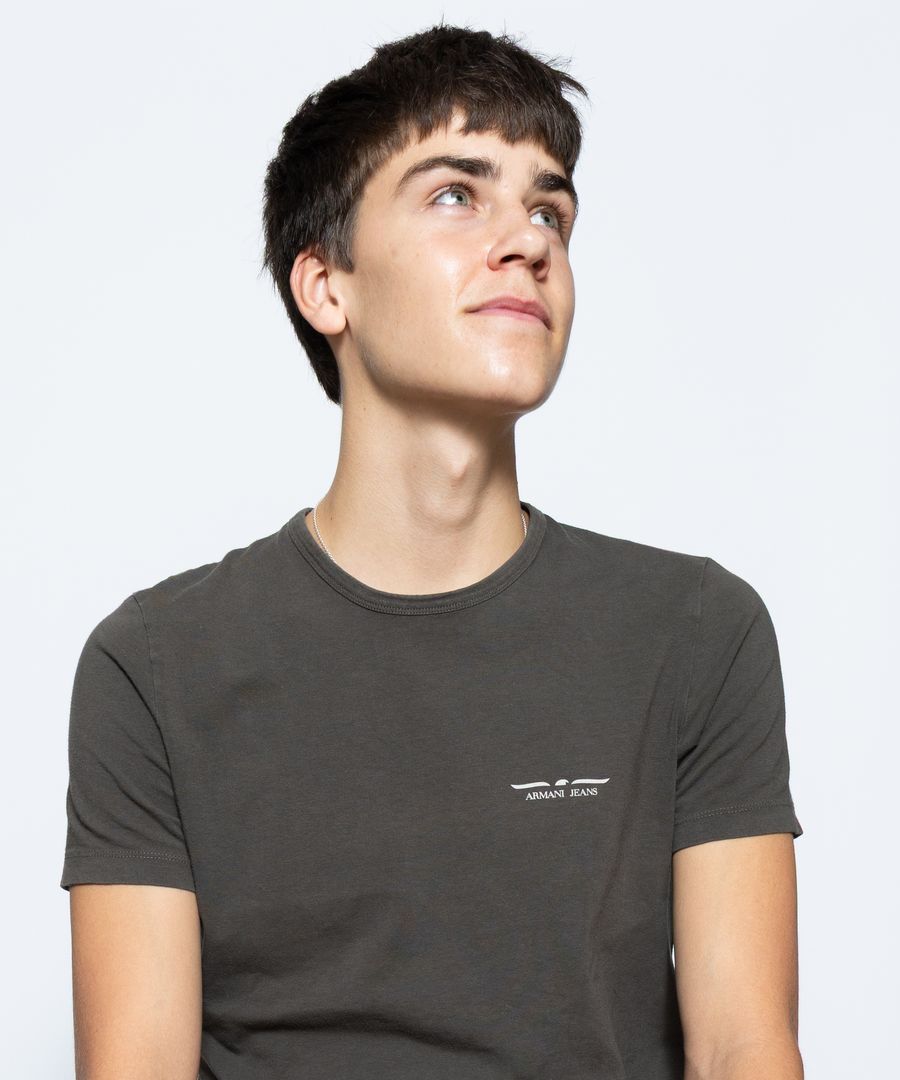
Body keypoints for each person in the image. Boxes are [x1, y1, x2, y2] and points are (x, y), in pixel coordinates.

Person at [59, 22, 805, 1080]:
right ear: (327, 286)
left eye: (548, 210)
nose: (528, 242)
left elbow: (744, 1050)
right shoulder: (155, 666)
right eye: (457, 195)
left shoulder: (694, 633)